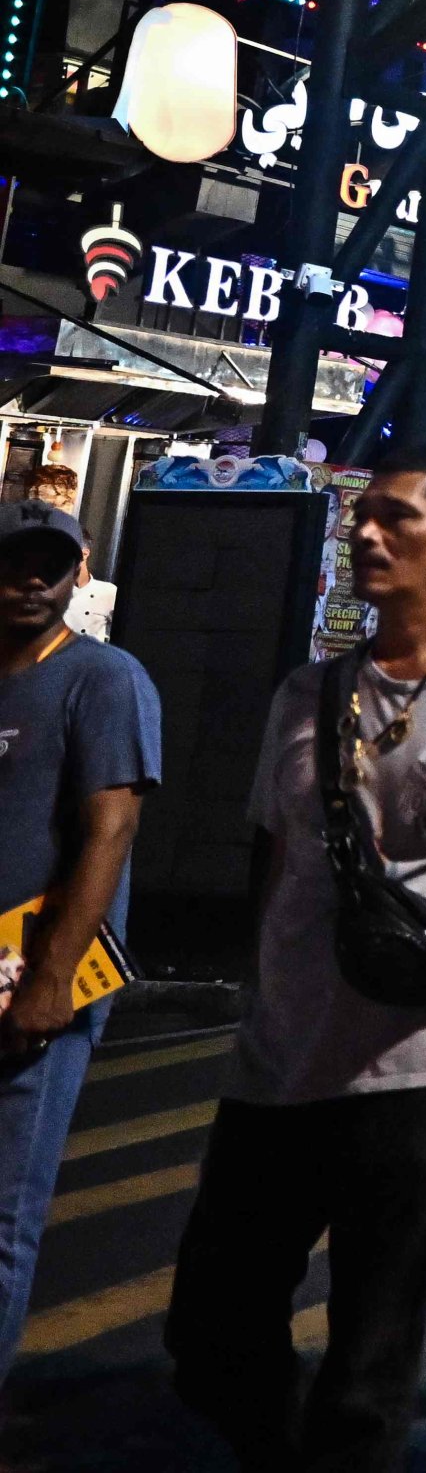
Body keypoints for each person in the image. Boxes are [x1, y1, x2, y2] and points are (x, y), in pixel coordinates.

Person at [170, 445, 426, 1473]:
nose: (367, 534)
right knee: (210, 1330)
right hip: (279, 1063)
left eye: (397, 518)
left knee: (372, 1356)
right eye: (364, 516)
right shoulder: (308, 693)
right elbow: (277, 860)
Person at [0, 506, 159, 1378]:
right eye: (17, 561)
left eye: (50, 565)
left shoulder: (103, 678)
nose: (32, 579)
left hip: (33, 985)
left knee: (3, 1218)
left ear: (78, 574)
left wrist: (52, 978)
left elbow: (110, 830)